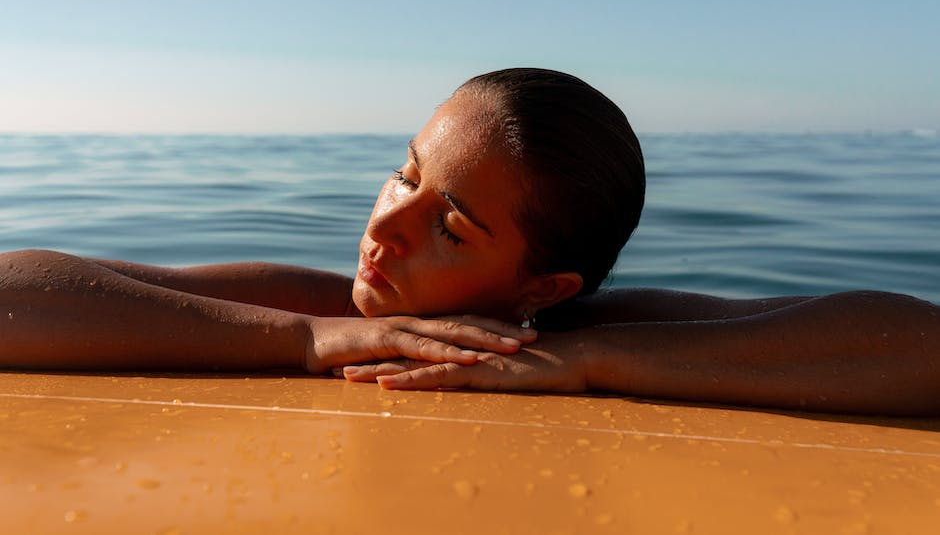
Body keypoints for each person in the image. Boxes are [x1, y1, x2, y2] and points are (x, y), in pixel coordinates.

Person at [1, 69, 937, 416]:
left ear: (544, 284)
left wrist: (590, 364)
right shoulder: (321, 305)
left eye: (449, 226)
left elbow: (918, 344)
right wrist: (301, 339)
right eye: (404, 174)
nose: (387, 226)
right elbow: (16, 287)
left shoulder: (592, 329)